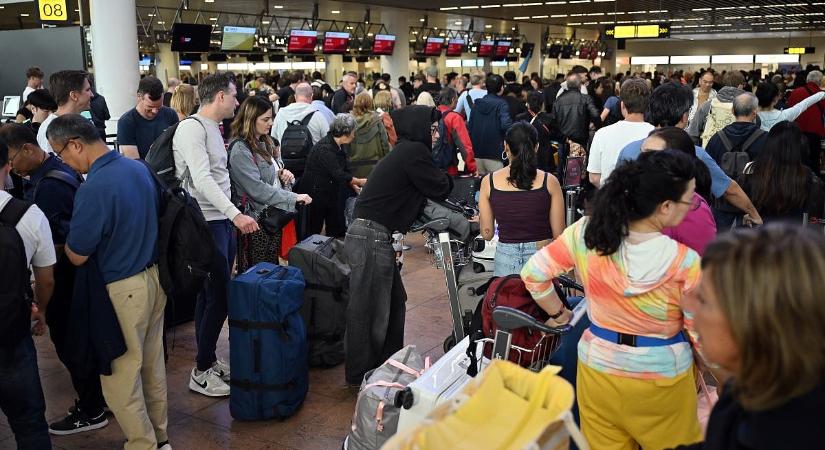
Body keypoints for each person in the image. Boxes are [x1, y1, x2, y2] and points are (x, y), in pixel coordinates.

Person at [521, 150, 703, 450]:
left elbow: (533, 274)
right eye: (690, 199)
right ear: (665, 206)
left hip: (597, 369)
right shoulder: (684, 262)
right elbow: (700, 334)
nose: (692, 206)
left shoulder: (584, 233)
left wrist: (559, 313)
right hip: (663, 381)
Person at [51, 114, 170, 450]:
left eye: (61, 154)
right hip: (153, 279)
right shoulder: (138, 168)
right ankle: (161, 439)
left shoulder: (94, 187)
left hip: (121, 290)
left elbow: (77, 254)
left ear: (75, 144)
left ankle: (142, 445)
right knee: (152, 369)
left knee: (120, 378)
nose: (65, 162)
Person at [0, 123, 109, 435]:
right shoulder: (55, 173)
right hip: (75, 275)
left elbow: (56, 243)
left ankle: (91, 408)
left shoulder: (48, 186)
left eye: (12, 158)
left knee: (72, 344)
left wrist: (42, 300)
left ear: (28, 149)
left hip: (65, 277)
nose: (11, 167)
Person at [675, 225, 825, 450]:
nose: (686, 304)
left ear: (753, 322)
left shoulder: (787, 433)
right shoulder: (750, 392)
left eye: (703, 300)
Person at [344, 105, 452, 385]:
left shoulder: (407, 151)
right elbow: (440, 186)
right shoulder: (413, 152)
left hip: (372, 235)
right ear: (418, 129)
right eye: (432, 129)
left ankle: (387, 365)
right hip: (371, 237)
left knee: (393, 303)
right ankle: (362, 377)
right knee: (370, 311)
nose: (437, 133)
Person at [172, 73, 259, 397]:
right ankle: (201, 370)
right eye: (234, 96)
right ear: (220, 96)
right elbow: (202, 179)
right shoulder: (191, 128)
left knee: (210, 296)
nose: (238, 102)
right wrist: (235, 214)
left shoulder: (213, 128)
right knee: (219, 296)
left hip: (219, 222)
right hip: (205, 224)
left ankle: (206, 360)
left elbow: (217, 177)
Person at [616, 81, 764, 229]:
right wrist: (753, 213)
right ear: (684, 117)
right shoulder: (695, 154)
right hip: (682, 230)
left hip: (638, 230)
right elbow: (729, 189)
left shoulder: (628, 150)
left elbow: (618, 191)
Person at [0, 134, 55, 450]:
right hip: (10, 331)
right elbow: (46, 279)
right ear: (7, 166)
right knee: (29, 422)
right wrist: (41, 311)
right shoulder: (28, 215)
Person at [229, 96, 312, 271]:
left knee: (270, 268)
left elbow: (270, 173)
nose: (271, 123)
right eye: (265, 119)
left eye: (271, 118)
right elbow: (257, 189)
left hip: (270, 218)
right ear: (251, 119)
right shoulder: (240, 149)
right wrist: (294, 197)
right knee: (257, 272)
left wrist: (281, 173)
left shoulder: (265, 141)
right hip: (254, 222)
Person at [478, 122, 564, 276]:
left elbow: (487, 233)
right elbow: (559, 234)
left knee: (508, 299)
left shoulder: (489, 182)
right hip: (542, 258)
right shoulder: (549, 181)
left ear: (506, 146)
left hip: (506, 258)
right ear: (536, 147)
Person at [639, 127, 717, 255]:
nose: (641, 160)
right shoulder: (638, 194)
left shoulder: (691, 208)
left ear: (679, 163)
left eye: (651, 155)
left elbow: (705, 264)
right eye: (642, 153)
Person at [738, 121, 825, 224]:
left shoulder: (752, 172)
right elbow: (815, 214)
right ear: (798, 146)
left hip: (759, 234)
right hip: (794, 236)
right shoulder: (808, 178)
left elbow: (742, 207)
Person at [295, 114, 365, 238]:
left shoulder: (337, 145)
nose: (354, 135)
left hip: (329, 192)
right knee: (314, 230)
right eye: (353, 132)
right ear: (345, 132)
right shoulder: (325, 148)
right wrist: (359, 181)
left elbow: (343, 169)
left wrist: (352, 184)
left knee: (335, 225)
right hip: (315, 194)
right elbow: (338, 173)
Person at [587, 78, 654, 187]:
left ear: (622, 105)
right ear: (647, 106)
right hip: (645, 200)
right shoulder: (657, 134)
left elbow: (594, 178)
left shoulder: (602, 134)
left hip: (610, 200)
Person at [117, 76, 179, 160]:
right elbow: (134, 163)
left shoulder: (170, 114)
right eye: (150, 107)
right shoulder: (126, 122)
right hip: (143, 171)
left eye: (159, 107)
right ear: (139, 97)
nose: (155, 111)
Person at [468, 74, 513, 175]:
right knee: (496, 186)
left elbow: (470, 127)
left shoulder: (477, 104)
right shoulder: (501, 104)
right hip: (495, 153)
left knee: (481, 186)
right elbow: (506, 125)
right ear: (501, 87)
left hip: (477, 152)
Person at [37, 70, 92, 153]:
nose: (92, 94)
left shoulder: (83, 122)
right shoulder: (49, 130)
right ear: (74, 95)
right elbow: (53, 165)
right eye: (87, 90)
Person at [687, 71, 747, 147]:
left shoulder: (708, 105)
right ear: (740, 86)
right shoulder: (748, 107)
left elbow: (693, 134)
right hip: (737, 155)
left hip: (710, 152)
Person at [705, 93, 768, 165]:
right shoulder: (766, 139)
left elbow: (707, 167)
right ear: (754, 112)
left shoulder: (717, 138)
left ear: (732, 111)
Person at [786, 70, 825, 174]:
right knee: (814, 161)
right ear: (820, 81)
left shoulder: (795, 92)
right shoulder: (821, 95)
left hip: (796, 132)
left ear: (808, 79)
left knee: (797, 161)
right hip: (814, 132)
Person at [551, 71, 601, 151]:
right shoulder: (586, 99)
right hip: (581, 141)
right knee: (581, 162)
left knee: (563, 163)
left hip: (563, 142)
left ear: (567, 85)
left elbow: (553, 123)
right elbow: (595, 115)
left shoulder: (558, 101)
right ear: (579, 85)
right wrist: (597, 127)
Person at [271, 82, 330, 146]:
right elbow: (328, 140)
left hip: (285, 155)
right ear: (312, 96)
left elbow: (273, 138)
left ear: (295, 96)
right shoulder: (318, 116)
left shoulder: (281, 113)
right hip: (312, 155)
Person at [349, 93, 391, 178]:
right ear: (370, 104)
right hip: (375, 166)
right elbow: (385, 142)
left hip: (354, 167)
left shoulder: (348, 123)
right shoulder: (377, 120)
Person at [755, 80, 825, 132]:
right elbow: (804, 104)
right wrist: (822, 94)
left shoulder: (750, 116)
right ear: (776, 98)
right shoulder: (784, 115)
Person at [435, 88, 476, 176]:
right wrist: (472, 167)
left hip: (430, 166)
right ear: (453, 99)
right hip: (448, 168)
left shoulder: (431, 114)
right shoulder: (454, 118)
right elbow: (464, 146)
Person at [515, 91, 555, 173]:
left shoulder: (519, 118)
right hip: (545, 157)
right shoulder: (549, 119)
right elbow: (557, 136)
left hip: (525, 156)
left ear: (527, 103)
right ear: (542, 103)